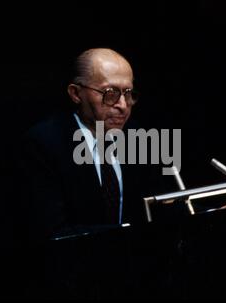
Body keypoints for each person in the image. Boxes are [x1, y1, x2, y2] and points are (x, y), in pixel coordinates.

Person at [18, 48, 171, 245]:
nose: (123, 105)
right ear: (75, 93)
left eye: (129, 93)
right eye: (110, 93)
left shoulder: (138, 136)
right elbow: (52, 232)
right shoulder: (44, 144)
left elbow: (164, 207)